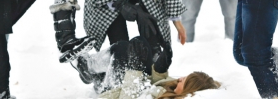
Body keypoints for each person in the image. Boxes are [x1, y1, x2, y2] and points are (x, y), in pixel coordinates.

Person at [72, 36, 221, 98]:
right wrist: (161, 69)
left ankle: (89, 69)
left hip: (115, 94)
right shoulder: (173, 89)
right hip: (121, 87)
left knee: (124, 50)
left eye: (184, 81)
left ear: (189, 92)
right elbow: (154, 82)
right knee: (131, 46)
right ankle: (90, 70)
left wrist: (135, 70)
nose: (180, 78)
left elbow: (130, 96)